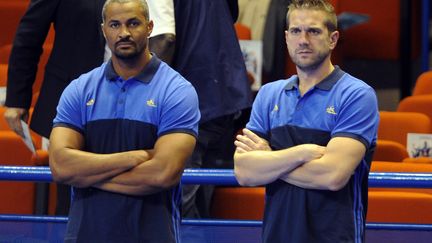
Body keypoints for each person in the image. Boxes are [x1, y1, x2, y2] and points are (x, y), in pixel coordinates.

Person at [4, 0, 175, 215]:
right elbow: (30, 33)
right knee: (71, 198)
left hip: (137, 100)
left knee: (134, 193)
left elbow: (165, 36)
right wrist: (17, 99)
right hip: (71, 102)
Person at [48, 0, 199, 242]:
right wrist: (135, 157)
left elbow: (163, 173)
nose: (124, 33)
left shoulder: (177, 90)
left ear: (150, 27)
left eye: (133, 23)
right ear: (104, 29)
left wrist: (87, 175)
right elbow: (60, 166)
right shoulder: (79, 89)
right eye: (115, 25)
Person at [234, 0, 379, 242]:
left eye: (313, 31)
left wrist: (270, 159)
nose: (303, 40)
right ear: (286, 37)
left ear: (333, 39)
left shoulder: (356, 94)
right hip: (276, 235)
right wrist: (301, 153)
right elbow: (244, 172)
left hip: (334, 236)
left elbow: (332, 176)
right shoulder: (269, 94)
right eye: (295, 31)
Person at [173, 0, 252, 219]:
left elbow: (164, 38)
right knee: (197, 201)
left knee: (182, 202)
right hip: (224, 96)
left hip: (193, 101)